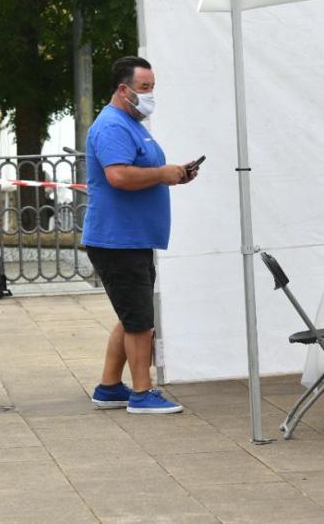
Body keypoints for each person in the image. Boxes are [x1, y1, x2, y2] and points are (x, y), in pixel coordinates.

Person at [83, 56, 198, 415]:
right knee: (139, 321)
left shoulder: (131, 125)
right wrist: (163, 174)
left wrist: (174, 175)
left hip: (132, 237)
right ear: (123, 89)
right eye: (144, 88)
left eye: (152, 87)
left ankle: (109, 387)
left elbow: (143, 171)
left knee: (132, 313)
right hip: (118, 239)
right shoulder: (112, 126)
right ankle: (142, 392)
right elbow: (118, 175)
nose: (150, 95)